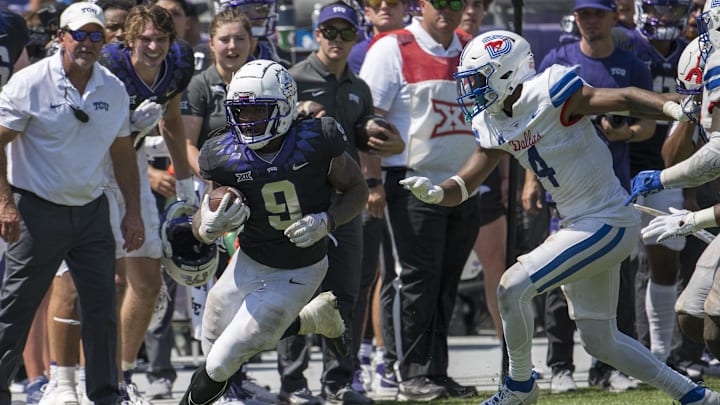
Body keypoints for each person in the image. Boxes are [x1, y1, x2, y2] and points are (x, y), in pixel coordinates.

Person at [400, 29, 720, 405]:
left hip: (606, 219)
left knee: (512, 286)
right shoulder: (494, 120)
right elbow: (467, 180)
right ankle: (695, 396)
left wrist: (672, 108)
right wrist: (438, 193)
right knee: (603, 342)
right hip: (580, 224)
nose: (471, 91)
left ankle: (520, 385)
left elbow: (625, 98)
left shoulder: (550, 92)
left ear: (506, 73)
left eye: (477, 80)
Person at [178, 59, 369, 405]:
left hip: (300, 267)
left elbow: (357, 189)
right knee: (213, 340)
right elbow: (202, 219)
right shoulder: (222, 153)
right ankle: (312, 319)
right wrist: (208, 225)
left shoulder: (316, 138)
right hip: (249, 259)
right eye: (241, 112)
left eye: (258, 111)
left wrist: (327, 220)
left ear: (284, 108)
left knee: (224, 357)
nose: (247, 121)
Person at [0, 2, 144, 404]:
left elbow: (122, 156)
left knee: (103, 306)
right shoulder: (28, 83)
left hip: (91, 210)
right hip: (35, 209)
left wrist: (132, 213)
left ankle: (105, 393)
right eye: (79, 33)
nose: (87, 42)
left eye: (96, 34)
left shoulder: (113, 88)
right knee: (16, 307)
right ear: (59, 37)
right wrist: (5, 204)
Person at [526, 0, 655, 393]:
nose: (591, 20)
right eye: (585, 13)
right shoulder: (557, 59)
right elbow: (534, 127)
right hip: (564, 189)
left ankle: (611, 367)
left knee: (619, 274)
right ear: (576, 18)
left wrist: (624, 134)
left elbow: (648, 125)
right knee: (558, 277)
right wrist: (532, 181)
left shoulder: (632, 64)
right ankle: (561, 366)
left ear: (614, 17)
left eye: (599, 13)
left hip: (615, 188)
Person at [281, 2, 403, 404]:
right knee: (296, 291)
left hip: (346, 200)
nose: (336, 40)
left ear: (356, 37)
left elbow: (366, 142)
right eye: (328, 32)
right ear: (316, 34)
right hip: (300, 199)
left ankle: (338, 382)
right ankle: (294, 383)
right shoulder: (292, 79)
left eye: (345, 32)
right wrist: (297, 114)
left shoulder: (358, 87)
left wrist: (374, 179)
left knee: (345, 293)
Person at [359, 0, 480, 400]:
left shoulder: (472, 48)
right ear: (420, 5)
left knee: (447, 282)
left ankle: (437, 372)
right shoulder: (393, 47)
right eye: (437, 2)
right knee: (415, 280)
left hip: (463, 184)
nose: (447, 9)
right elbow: (368, 123)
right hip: (411, 183)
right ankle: (411, 373)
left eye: (454, 2)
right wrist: (373, 182)